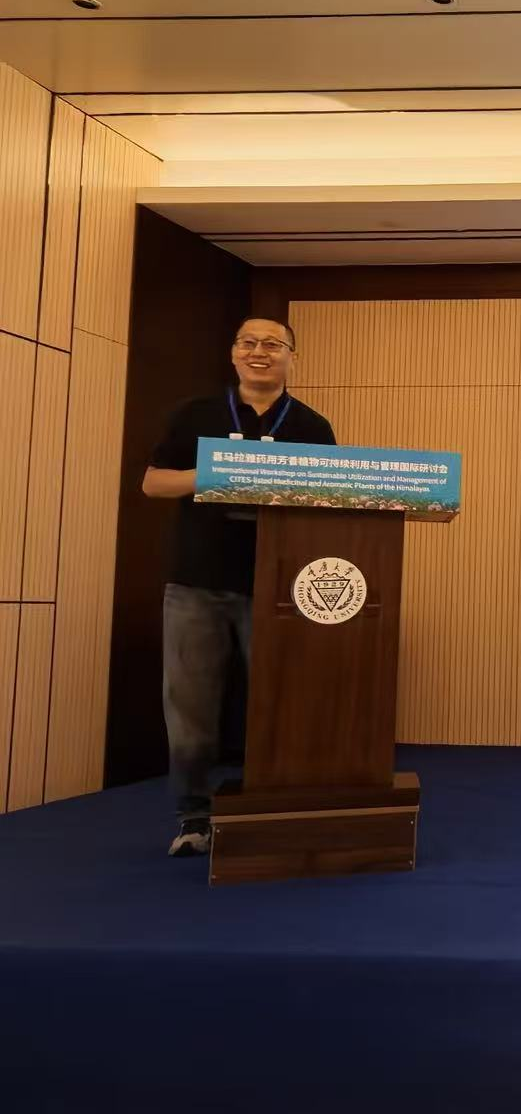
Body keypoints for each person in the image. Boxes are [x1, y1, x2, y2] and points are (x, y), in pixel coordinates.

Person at [142, 318, 336, 856]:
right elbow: (153, 482)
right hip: (195, 583)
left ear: (291, 357)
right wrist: (218, 474)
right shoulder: (195, 414)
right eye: (248, 343)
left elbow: (328, 498)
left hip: (278, 588)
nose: (259, 352)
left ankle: (274, 809)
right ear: (233, 354)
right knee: (190, 709)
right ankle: (193, 817)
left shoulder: (312, 426)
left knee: (278, 705)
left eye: (273, 344)